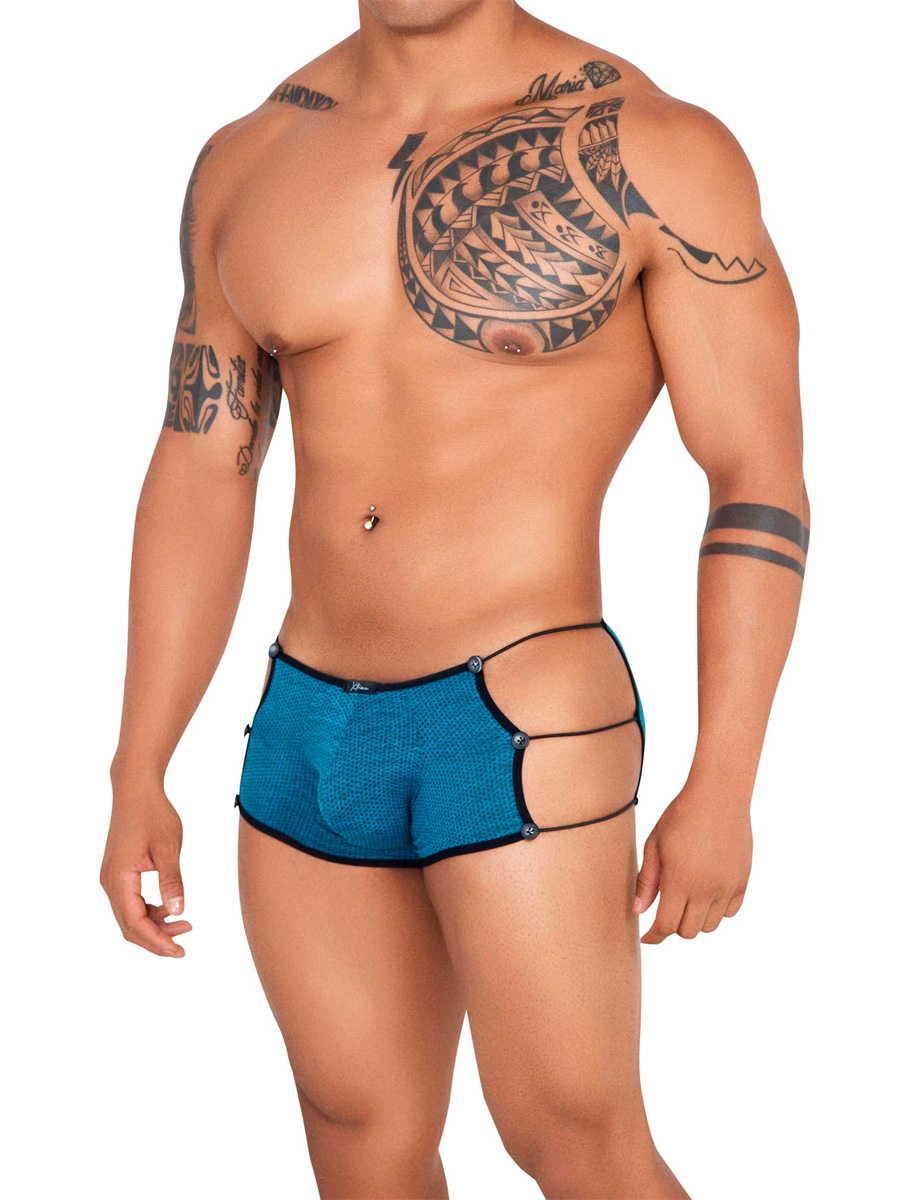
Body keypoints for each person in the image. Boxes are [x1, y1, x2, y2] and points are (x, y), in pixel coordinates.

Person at [100, 2, 808, 1195]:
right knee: (357, 1133)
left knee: (572, 1137)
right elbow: (203, 465)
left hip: (519, 710)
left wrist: (725, 781)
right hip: (305, 723)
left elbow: (757, 478)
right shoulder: (253, 154)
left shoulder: (657, 146)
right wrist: (138, 763)